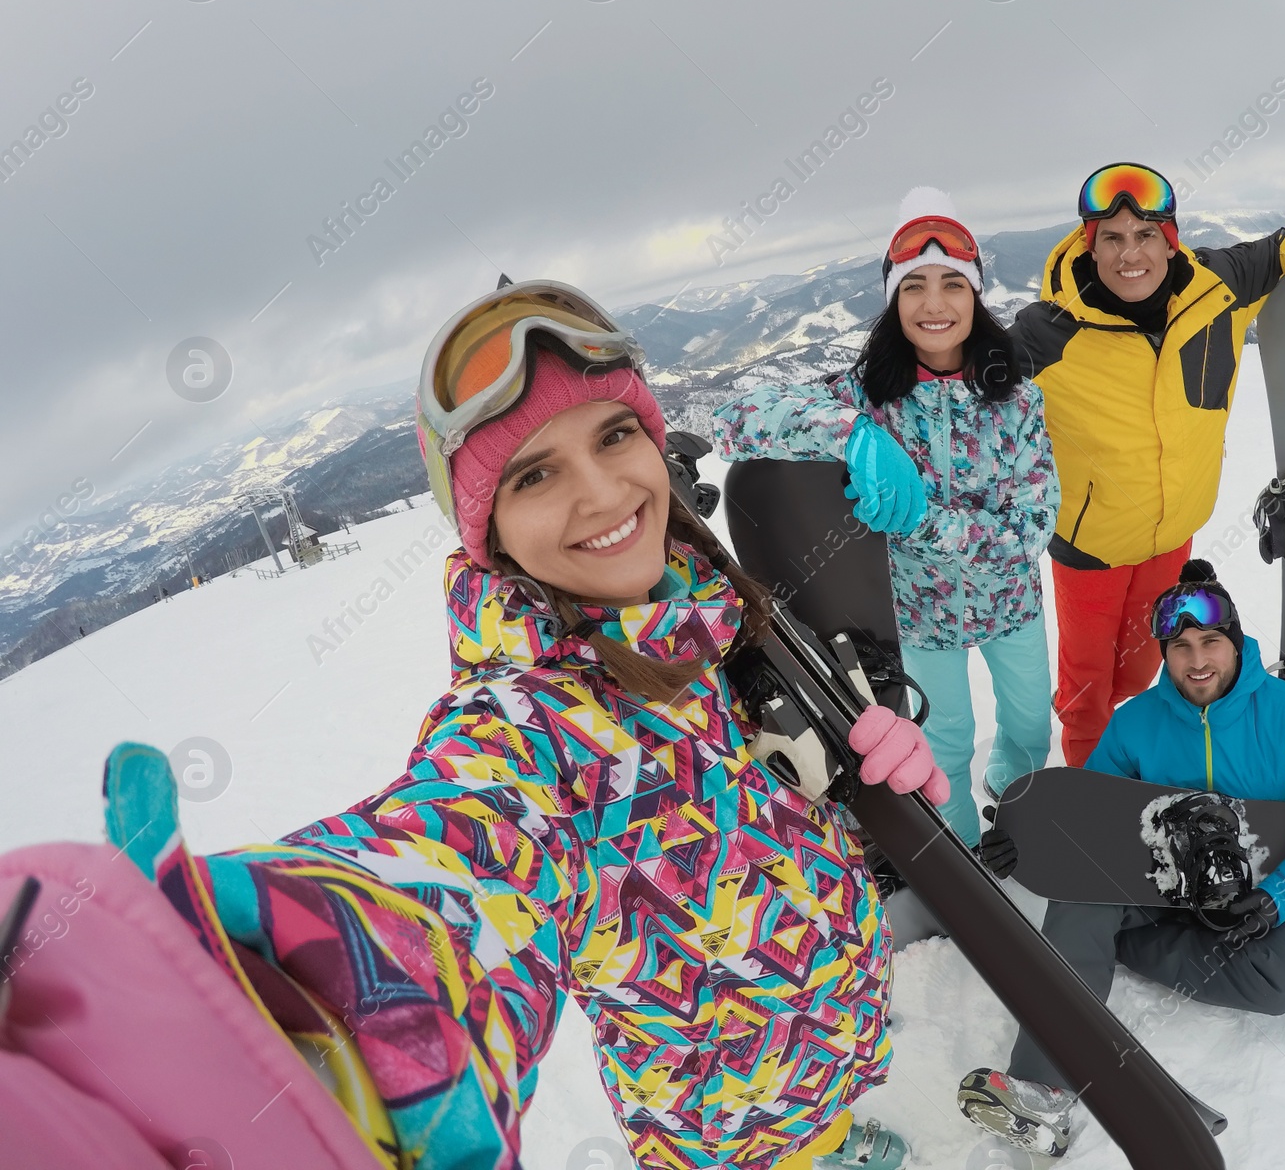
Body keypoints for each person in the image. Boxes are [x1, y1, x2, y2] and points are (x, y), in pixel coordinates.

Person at [49, 281, 950, 1170]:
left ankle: (835, 1138)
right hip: (731, 1125)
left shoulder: (708, 615)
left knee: (827, 1126)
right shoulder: (534, 729)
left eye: (615, 434)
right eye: (535, 474)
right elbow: (458, 857)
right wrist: (316, 972)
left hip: (830, 1039)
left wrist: (858, 798)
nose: (601, 494)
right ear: (493, 533)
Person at [958, 558, 1285, 1157]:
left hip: (1245, 893)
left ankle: (1101, 957)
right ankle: (1040, 1089)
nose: (1197, 659)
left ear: (1235, 642)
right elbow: (1088, 811)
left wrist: (1277, 897)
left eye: (1210, 641)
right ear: (1164, 653)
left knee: (1284, 984)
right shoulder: (1136, 724)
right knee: (1081, 899)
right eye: (1179, 646)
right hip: (1146, 883)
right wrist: (1027, 838)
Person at [716, 188, 1060, 846]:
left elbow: (1030, 530)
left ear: (975, 296)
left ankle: (1015, 805)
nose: (934, 305)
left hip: (1011, 604)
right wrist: (849, 433)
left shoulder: (1016, 400)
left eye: (952, 285)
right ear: (894, 302)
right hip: (921, 615)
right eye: (914, 287)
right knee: (946, 741)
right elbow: (736, 421)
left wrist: (925, 518)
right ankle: (962, 853)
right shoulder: (865, 397)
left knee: (1028, 728)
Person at [1011, 163, 1285, 765]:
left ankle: (1142, 763)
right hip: (1090, 548)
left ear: (1170, 238)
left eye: (1146, 234)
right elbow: (959, 383)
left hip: (1172, 535)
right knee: (1086, 695)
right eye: (1112, 237)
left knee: (1137, 678)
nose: (1131, 254)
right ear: (1089, 244)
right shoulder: (1046, 332)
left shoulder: (1218, 285)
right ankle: (1089, 801)